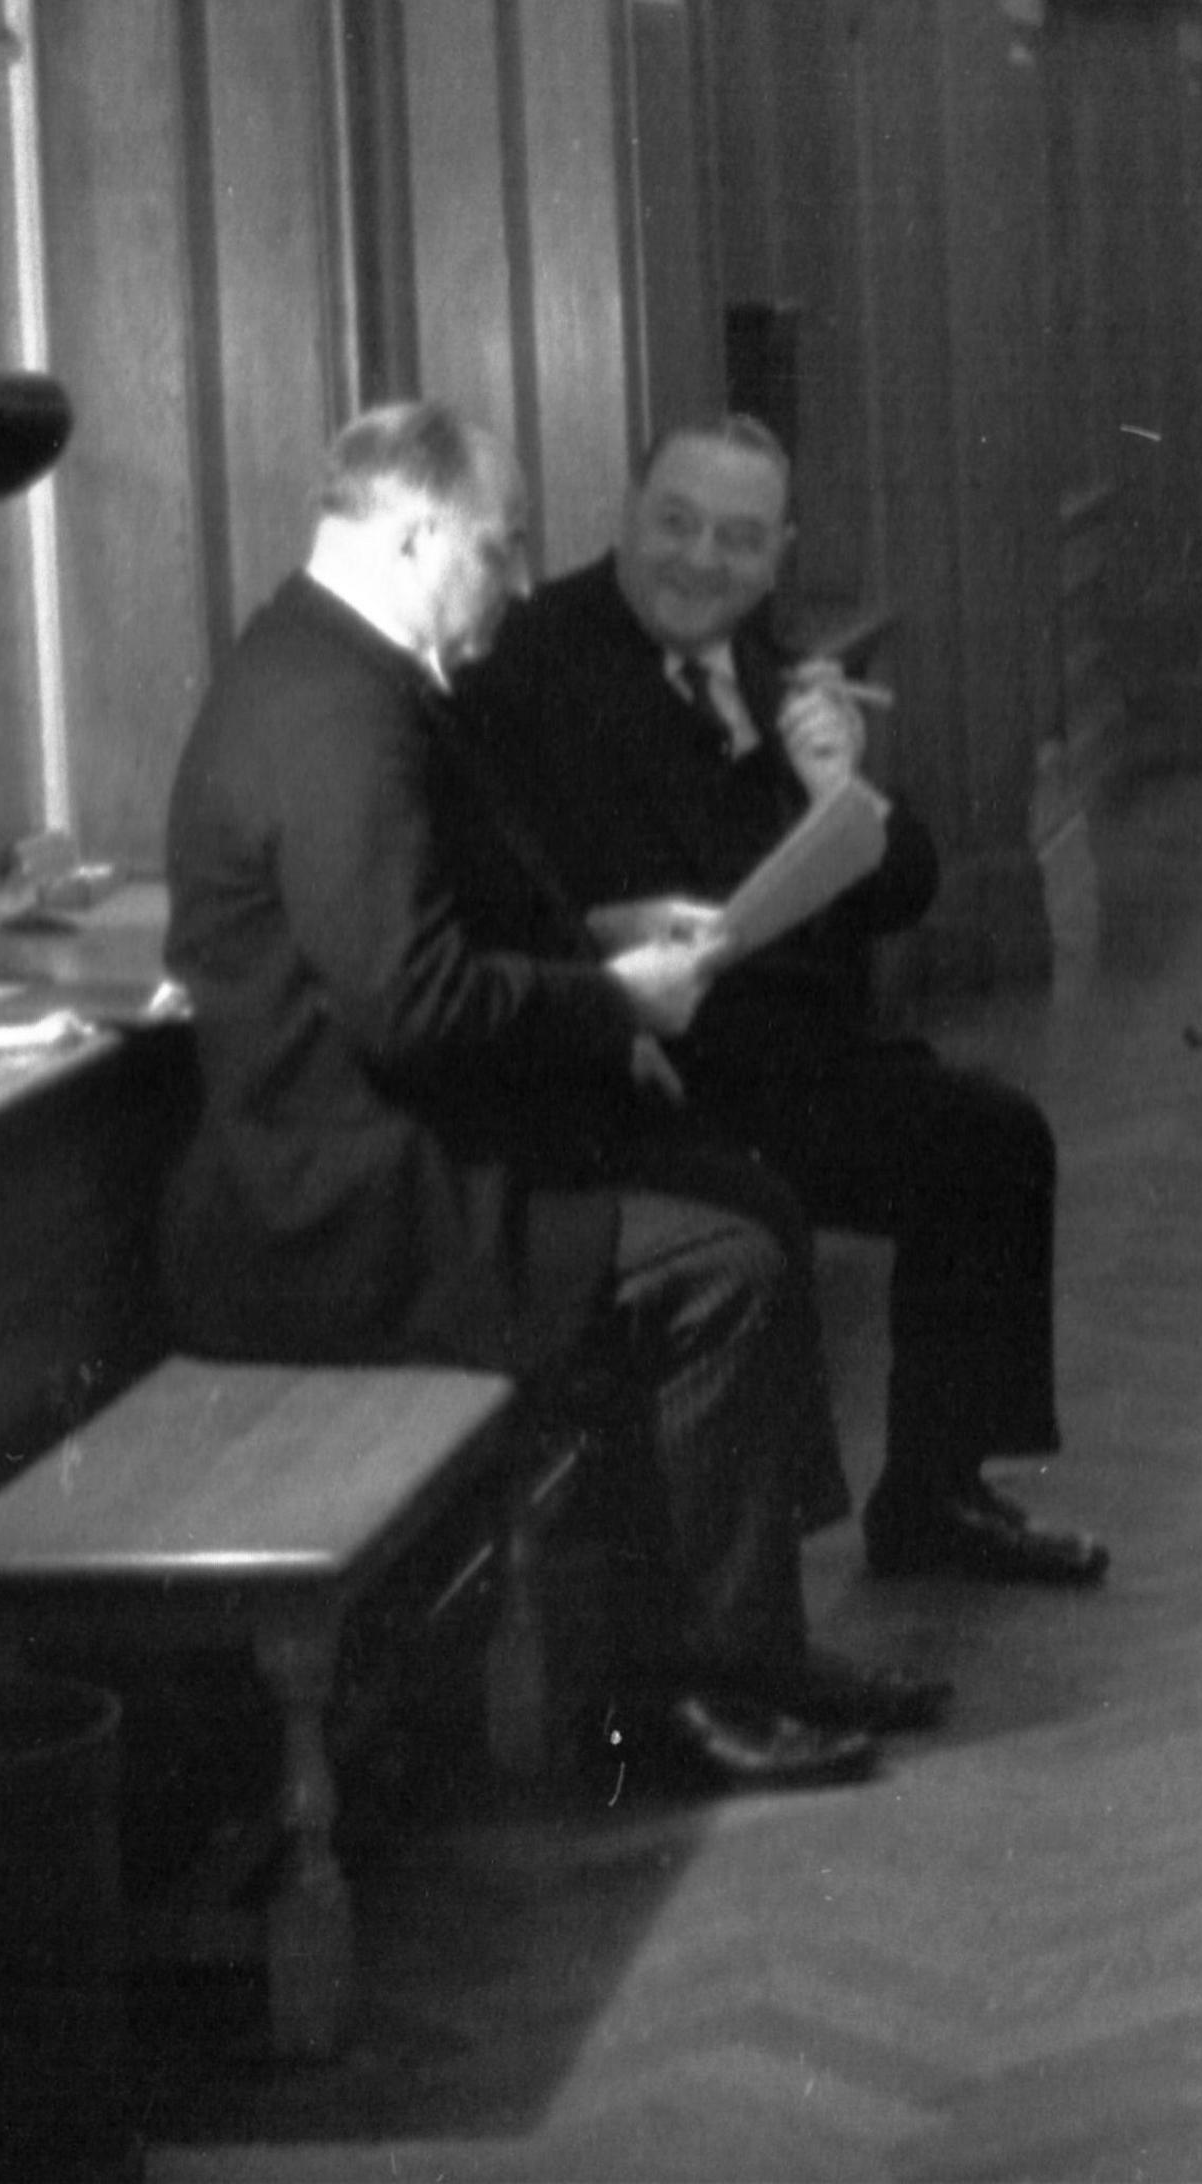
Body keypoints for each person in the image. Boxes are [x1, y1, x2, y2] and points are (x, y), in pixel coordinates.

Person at [162, 401, 947, 1794]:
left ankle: (753, 1641)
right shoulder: (337, 711)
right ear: (414, 536)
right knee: (728, 1269)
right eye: (498, 547)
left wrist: (592, 946)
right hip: (350, 1212)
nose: (521, 583)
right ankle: (690, 1693)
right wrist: (614, 1003)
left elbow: (429, 951)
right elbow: (409, 1006)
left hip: (395, 1157)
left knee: (745, 1193)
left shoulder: (343, 669)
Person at [462, 416, 1109, 1588]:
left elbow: (900, 882)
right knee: (758, 1220)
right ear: (626, 512)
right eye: (678, 523)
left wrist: (836, 788)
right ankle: (749, 1601)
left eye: (740, 538)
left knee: (995, 1144)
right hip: (645, 1070)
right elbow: (515, 906)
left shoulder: (762, 658)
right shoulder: (533, 665)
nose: (702, 560)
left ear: (778, 553)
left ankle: (936, 1495)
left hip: (791, 1055)